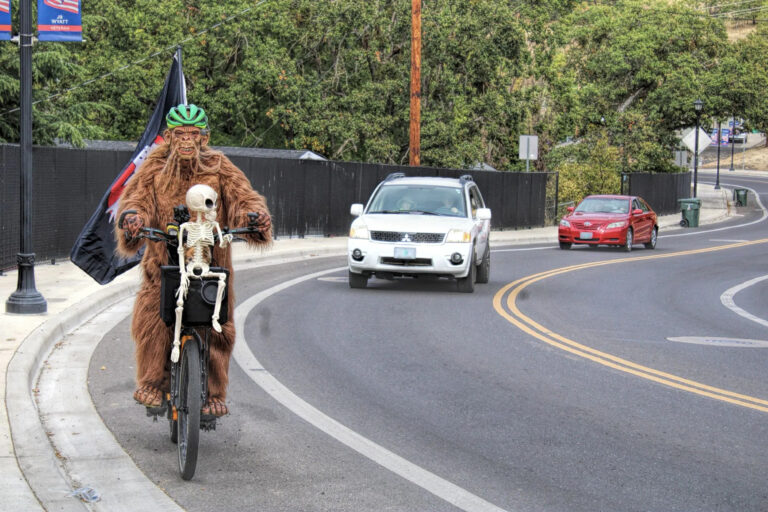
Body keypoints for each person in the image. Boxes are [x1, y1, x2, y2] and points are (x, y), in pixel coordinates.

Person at [115, 104, 272, 418]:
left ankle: (213, 392)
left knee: (217, 324)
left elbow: (244, 197)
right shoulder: (154, 165)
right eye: (180, 134)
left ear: (205, 137)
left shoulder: (219, 165)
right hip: (162, 263)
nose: (187, 141)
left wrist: (254, 217)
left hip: (212, 263)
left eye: (193, 134)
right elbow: (136, 198)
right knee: (152, 318)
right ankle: (154, 383)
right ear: (169, 137)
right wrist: (132, 218)